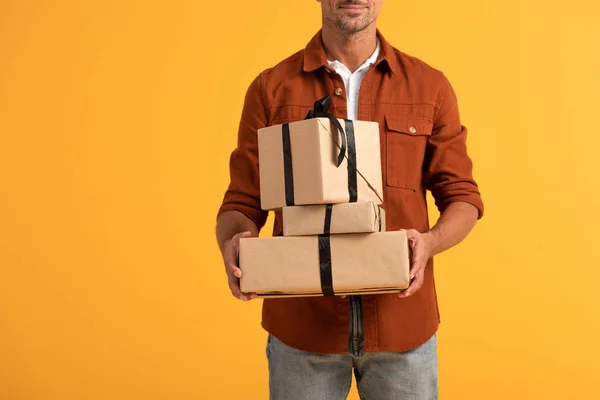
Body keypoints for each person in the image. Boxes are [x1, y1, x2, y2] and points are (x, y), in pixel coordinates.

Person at [215, 1, 484, 398]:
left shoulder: (429, 86)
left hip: (403, 332)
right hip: (302, 335)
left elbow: (463, 197)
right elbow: (241, 200)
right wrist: (234, 242)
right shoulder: (272, 88)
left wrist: (428, 244)